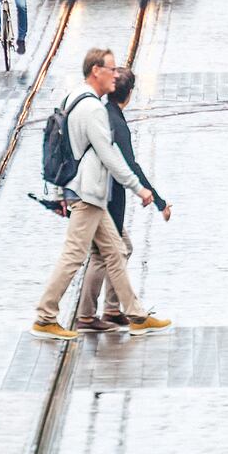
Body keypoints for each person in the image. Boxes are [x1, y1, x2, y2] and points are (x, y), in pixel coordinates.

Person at [32, 48, 168, 339]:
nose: (115, 75)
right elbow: (110, 155)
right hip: (87, 194)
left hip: (86, 193)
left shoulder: (74, 97)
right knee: (73, 255)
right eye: (111, 69)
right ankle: (45, 317)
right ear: (96, 70)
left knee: (116, 251)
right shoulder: (93, 109)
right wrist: (140, 188)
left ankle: (136, 315)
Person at [74, 67, 170, 332]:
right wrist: (156, 199)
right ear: (129, 94)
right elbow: (129, 165)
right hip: (101, 197)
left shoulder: (102, 113)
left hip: (94, 194)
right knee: (105, 254)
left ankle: (111, 311)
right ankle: (89, 315)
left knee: (116, 250)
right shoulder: (113, 121)